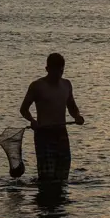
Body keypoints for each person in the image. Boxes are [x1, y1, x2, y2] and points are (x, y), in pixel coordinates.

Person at [20, 53, 85, 182]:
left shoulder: (66, 85)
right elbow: (24, 109)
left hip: (62, 134)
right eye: (55, 71)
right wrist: (33, 121)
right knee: (47, 176)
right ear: (47, 69)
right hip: (44, 134)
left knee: (62, 175)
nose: (58, 74)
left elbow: (72, 106)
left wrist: (77, 116)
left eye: (61, 71)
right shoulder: (37, 86)